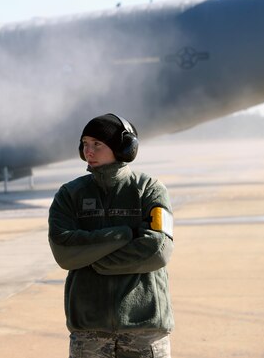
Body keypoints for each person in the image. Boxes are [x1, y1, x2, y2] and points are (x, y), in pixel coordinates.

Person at [48, 113, 174, 358]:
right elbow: (64, 251)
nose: (89, 151)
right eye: (85, 144)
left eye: (97, 144)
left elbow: (158, 250)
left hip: (144, 328)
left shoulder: (150, 189)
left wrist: (93, 259)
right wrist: (125, 234)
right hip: (90, 331)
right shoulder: (69, 195)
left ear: (124, 147)